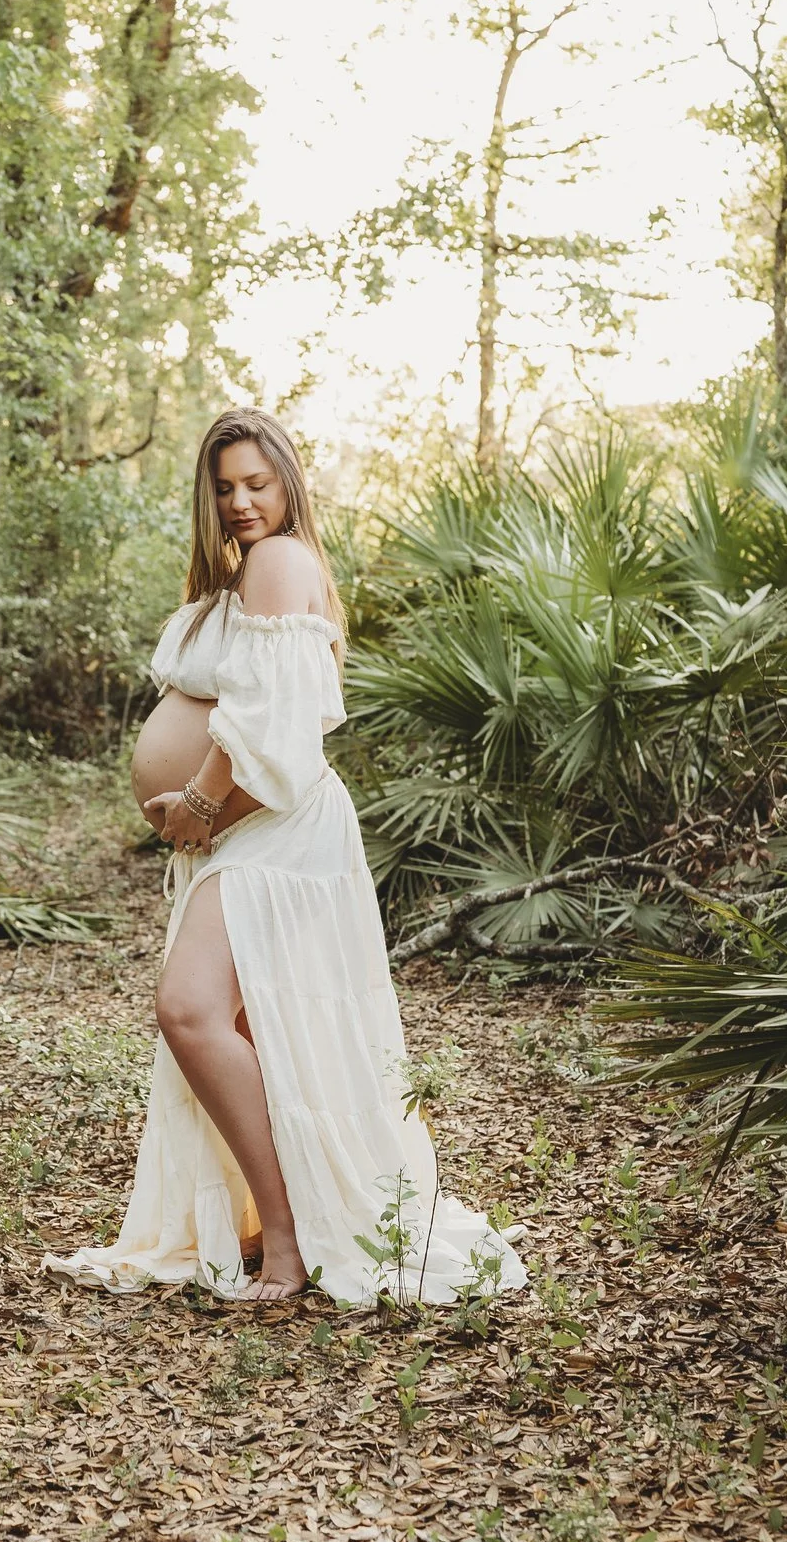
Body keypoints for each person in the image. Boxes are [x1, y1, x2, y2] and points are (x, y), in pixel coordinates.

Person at [43, 408, 528, 1305]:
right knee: (248, 1029)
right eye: (223, 486)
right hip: (247, 832)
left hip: (277, 830)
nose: (238, 501)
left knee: (188, 1011)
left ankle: (291, 1238)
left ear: (290, 484)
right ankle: (281, 1215)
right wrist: (195, 810)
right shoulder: (246, 573)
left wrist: (196, 802)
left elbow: (267, 720)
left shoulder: (280, 559)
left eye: (256, 483)